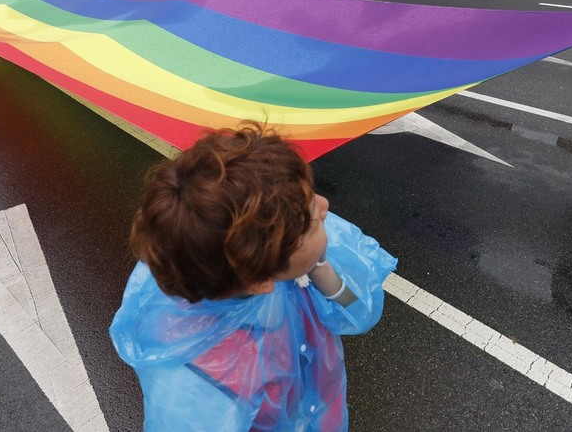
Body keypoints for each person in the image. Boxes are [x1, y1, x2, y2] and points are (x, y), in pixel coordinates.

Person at [109, 123, 397, 430]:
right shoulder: (202, 380)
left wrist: (319, 266)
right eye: (309, 222)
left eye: (309, 196)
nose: (324, 207)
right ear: (260, 281)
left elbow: (358, 310)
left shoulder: (279, 232)